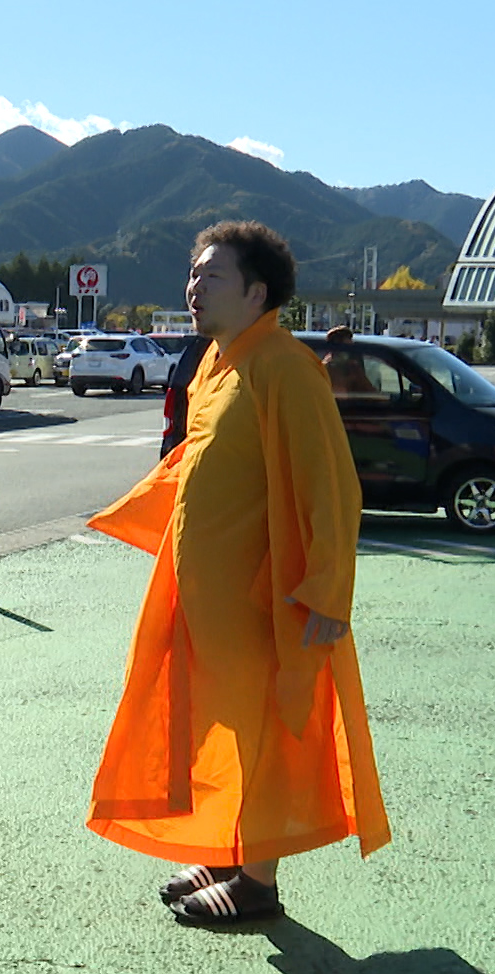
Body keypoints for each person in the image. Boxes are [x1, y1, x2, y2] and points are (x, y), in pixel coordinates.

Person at [85, 222, 391, 926]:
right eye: (193, 273)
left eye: (211, 275)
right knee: (216, 726)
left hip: (262, 599)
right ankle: (226, 852)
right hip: (205, 599)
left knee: (260, 734)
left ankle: (257, 882)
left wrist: (326, 592)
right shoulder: (215, 365)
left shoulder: (285, 367)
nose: (194, 287)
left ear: (257, 292)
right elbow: (193, 467)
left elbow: (331, 487)